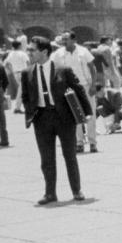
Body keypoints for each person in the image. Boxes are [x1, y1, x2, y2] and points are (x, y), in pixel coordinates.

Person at [23, 36, 89, 204]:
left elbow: (79, 89)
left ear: (44, 52)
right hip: (41, 118)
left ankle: (76, 190)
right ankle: (50, 193)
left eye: (32, 50)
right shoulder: (27, 72)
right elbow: (26, 96)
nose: (28, 52)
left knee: (70, 155)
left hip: (64, 118)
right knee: (46, 159)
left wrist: (86, 113)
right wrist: (30, 113)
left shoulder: (62, 69)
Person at [51, 32, 96, 153]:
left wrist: (93, 85)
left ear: (74, 40)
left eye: (66, 39)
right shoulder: (58, 53)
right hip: (69, 89)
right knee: (75, 115)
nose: (64, 41)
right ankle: (79, 143)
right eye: (63, 39)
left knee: (90, 114)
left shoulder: (83, 51)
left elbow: (92, 67)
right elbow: (52, 68)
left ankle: (93, 143)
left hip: (85, 86)